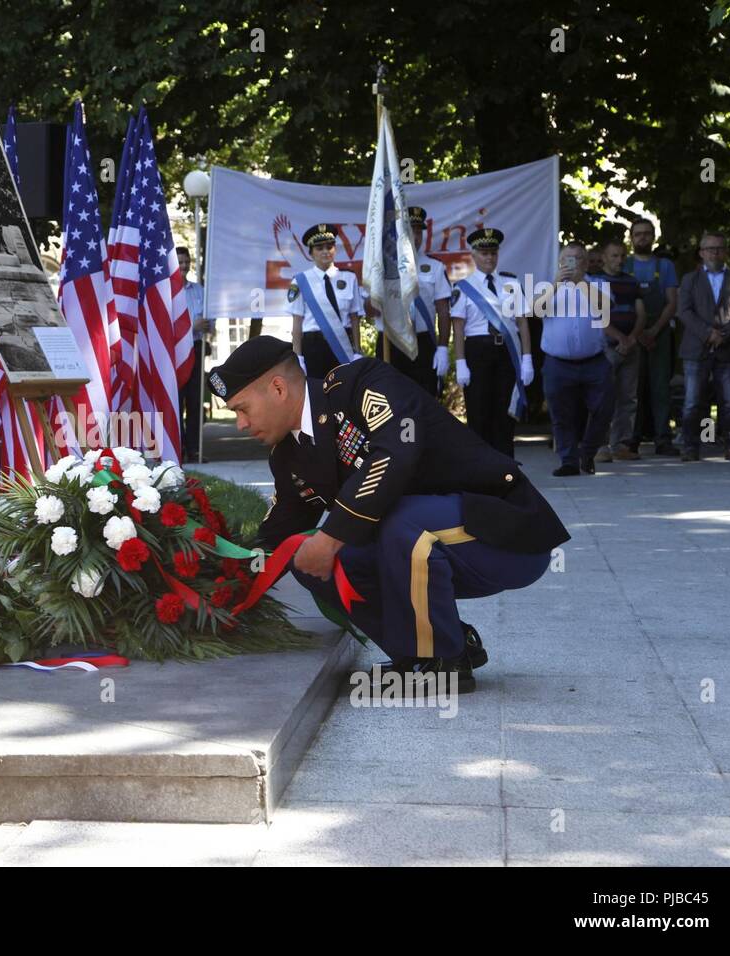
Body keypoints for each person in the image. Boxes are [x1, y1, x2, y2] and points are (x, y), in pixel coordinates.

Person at [208, 336, 569, 691]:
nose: (240, 423)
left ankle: (441, 661)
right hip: (433, 545)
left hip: (504, 534)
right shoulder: (290, 457)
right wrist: (213, 597)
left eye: (242, 408)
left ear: (278, 388)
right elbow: (275, 544)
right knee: (309, 560)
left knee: (394, 520)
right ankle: (427, 653)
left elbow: (395, 453)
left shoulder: (360, 384)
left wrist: (330, 537)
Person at [451, 228, 535, 458]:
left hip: (506, 351)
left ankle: (506, 462)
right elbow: (457, 327)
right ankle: (481, 464)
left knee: (505, 409)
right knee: (479, 410)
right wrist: (460, 362)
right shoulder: (463, 287)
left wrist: (527, 358)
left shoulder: (511, 282)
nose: (489, 258)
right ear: (474, 255)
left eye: (493, 253)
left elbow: (522, 323)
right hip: (477, 351)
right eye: (484, 253)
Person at [536, 242, 615, 475]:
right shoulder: (545, 286)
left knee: (604, 409)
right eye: (568, 259)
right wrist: (557, 284)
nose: (573, 263)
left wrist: (580, 281)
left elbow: (606, 306)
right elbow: (534, 310)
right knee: (561, 414)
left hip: (594, 360)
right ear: (560, 262)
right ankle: (569, 461)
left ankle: (588, 453)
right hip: (557, 362)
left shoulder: (599, 284)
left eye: (579, 258)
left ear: (587, 261)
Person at [677, 231, 730, 462]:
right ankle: (692, 447)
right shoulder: (689, 279)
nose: (714, 252)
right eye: (710, 248)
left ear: (726, 251)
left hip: (728, 349)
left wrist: (726, 334)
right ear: (701, 252)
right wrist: (707, 333)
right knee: (693, 402)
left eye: (719, 248)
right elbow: (684, 311)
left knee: (729, 402)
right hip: (696, 349)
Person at [373, 206, 451, 395]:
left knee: (426, 399)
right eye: (410, 230)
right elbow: (370, 310)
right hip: (391, 340)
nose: (415, 236)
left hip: (423, 342)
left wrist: (442, 347)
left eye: (418, 231)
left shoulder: (435, 267)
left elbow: (443, 311)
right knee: (392, 400)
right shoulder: (382, 267)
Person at [588, 239, 646, 462]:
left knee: (628, 398)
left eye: (622, 255)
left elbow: (640, 313)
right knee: (602, 397)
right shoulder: (593, 282)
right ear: (603, 257)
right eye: (614, 255)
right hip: (604, 348)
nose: (619, 260)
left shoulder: (632, 282)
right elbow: (596, 316)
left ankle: (621, 444)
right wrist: (619, 337)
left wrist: (631, 339)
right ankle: (599, 445)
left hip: (631, 346)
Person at [626, 219, 680, 456]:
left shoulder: (665, 265)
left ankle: (663, 439)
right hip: (630, 334)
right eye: (638, 234)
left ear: (654, 237)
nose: (643, 238)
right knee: (632, 390)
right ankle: (630, 440)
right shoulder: (623, 264)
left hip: (659, 333)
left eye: (647, 234)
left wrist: (654, 330)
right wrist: (637, 333)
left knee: (660, 388)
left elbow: (672, 302)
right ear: (631, 238)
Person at [288, 223, 365, 377]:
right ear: (311, 253)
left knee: (345, 392)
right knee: (318, 393)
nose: (325, 251)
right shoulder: (300, 281)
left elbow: (354, 318)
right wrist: (298, 357)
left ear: (335, 249)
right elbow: (297, 323)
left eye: (329, 246)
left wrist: (357, 350)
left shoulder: (349, 278)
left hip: (344, 345)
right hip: (314, 347)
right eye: (319, 248)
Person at [176, 246, 208, 462]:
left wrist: (205, 325)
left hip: (196, 350)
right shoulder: (166, 292)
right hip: (175, 353)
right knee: (177, 401)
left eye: (186, 262)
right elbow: (165, 327)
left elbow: (208, 321)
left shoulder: (199, 290)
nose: (184, 266)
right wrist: (191, 326)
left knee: (195, 401)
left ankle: (195, 449)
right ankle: (177, 448)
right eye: (179, 263)